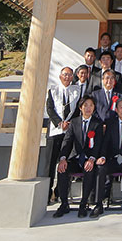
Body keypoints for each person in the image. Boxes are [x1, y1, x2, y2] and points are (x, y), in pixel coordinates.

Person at [53, 96, 102, 218]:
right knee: (62, 169)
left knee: (89, 170)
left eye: (91, 105)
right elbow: (67, 141)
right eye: (85, 105)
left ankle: (84, 203)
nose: (88, 108)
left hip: (89, 159)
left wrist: (92, 159)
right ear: (80, 108)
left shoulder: (98, 123)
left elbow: (99, 144)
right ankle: (64, 203)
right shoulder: (74, 123)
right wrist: (63, 158)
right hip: (75, 158)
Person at [93, 97, 122, 219]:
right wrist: (102, 156)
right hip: (112, 159)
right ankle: (98, 204)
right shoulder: (110, 122)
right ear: (117, 109)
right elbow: (105, 142)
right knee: (100, 168)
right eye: (121, 108)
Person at [45, 67, 81, 202]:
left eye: (70, 75)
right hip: (55, 131)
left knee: (66, 162)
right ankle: (47, 193)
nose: (67, 77)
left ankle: (59, 192)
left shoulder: (76, 91)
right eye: (65, 74)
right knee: (50, 163)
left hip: (69, 131)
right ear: (60, 76)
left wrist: (69, 123)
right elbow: (49, 109)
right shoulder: (53, 90)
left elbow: (77, 110)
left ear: (72, 77)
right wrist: (60, 123)